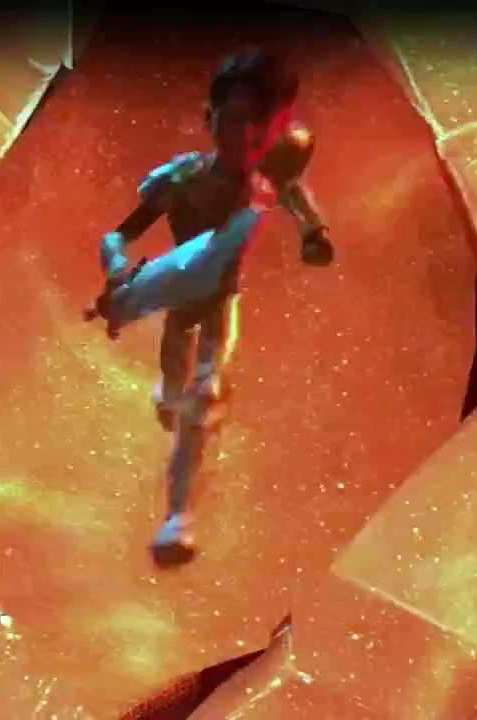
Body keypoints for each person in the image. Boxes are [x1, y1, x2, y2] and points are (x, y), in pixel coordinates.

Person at [94, 50, 334, 565]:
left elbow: (298, 201)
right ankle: (169, 394)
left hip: (222, 302)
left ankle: (178, 519)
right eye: (234, 121)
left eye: (258, 127)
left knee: (205, 399)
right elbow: (119, 235)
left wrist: (315, 234)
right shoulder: (182, 180)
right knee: (175, 395)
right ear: (211, 119)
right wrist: (118, 272)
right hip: (181, 304)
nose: (244, 137)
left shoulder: (265, 183)